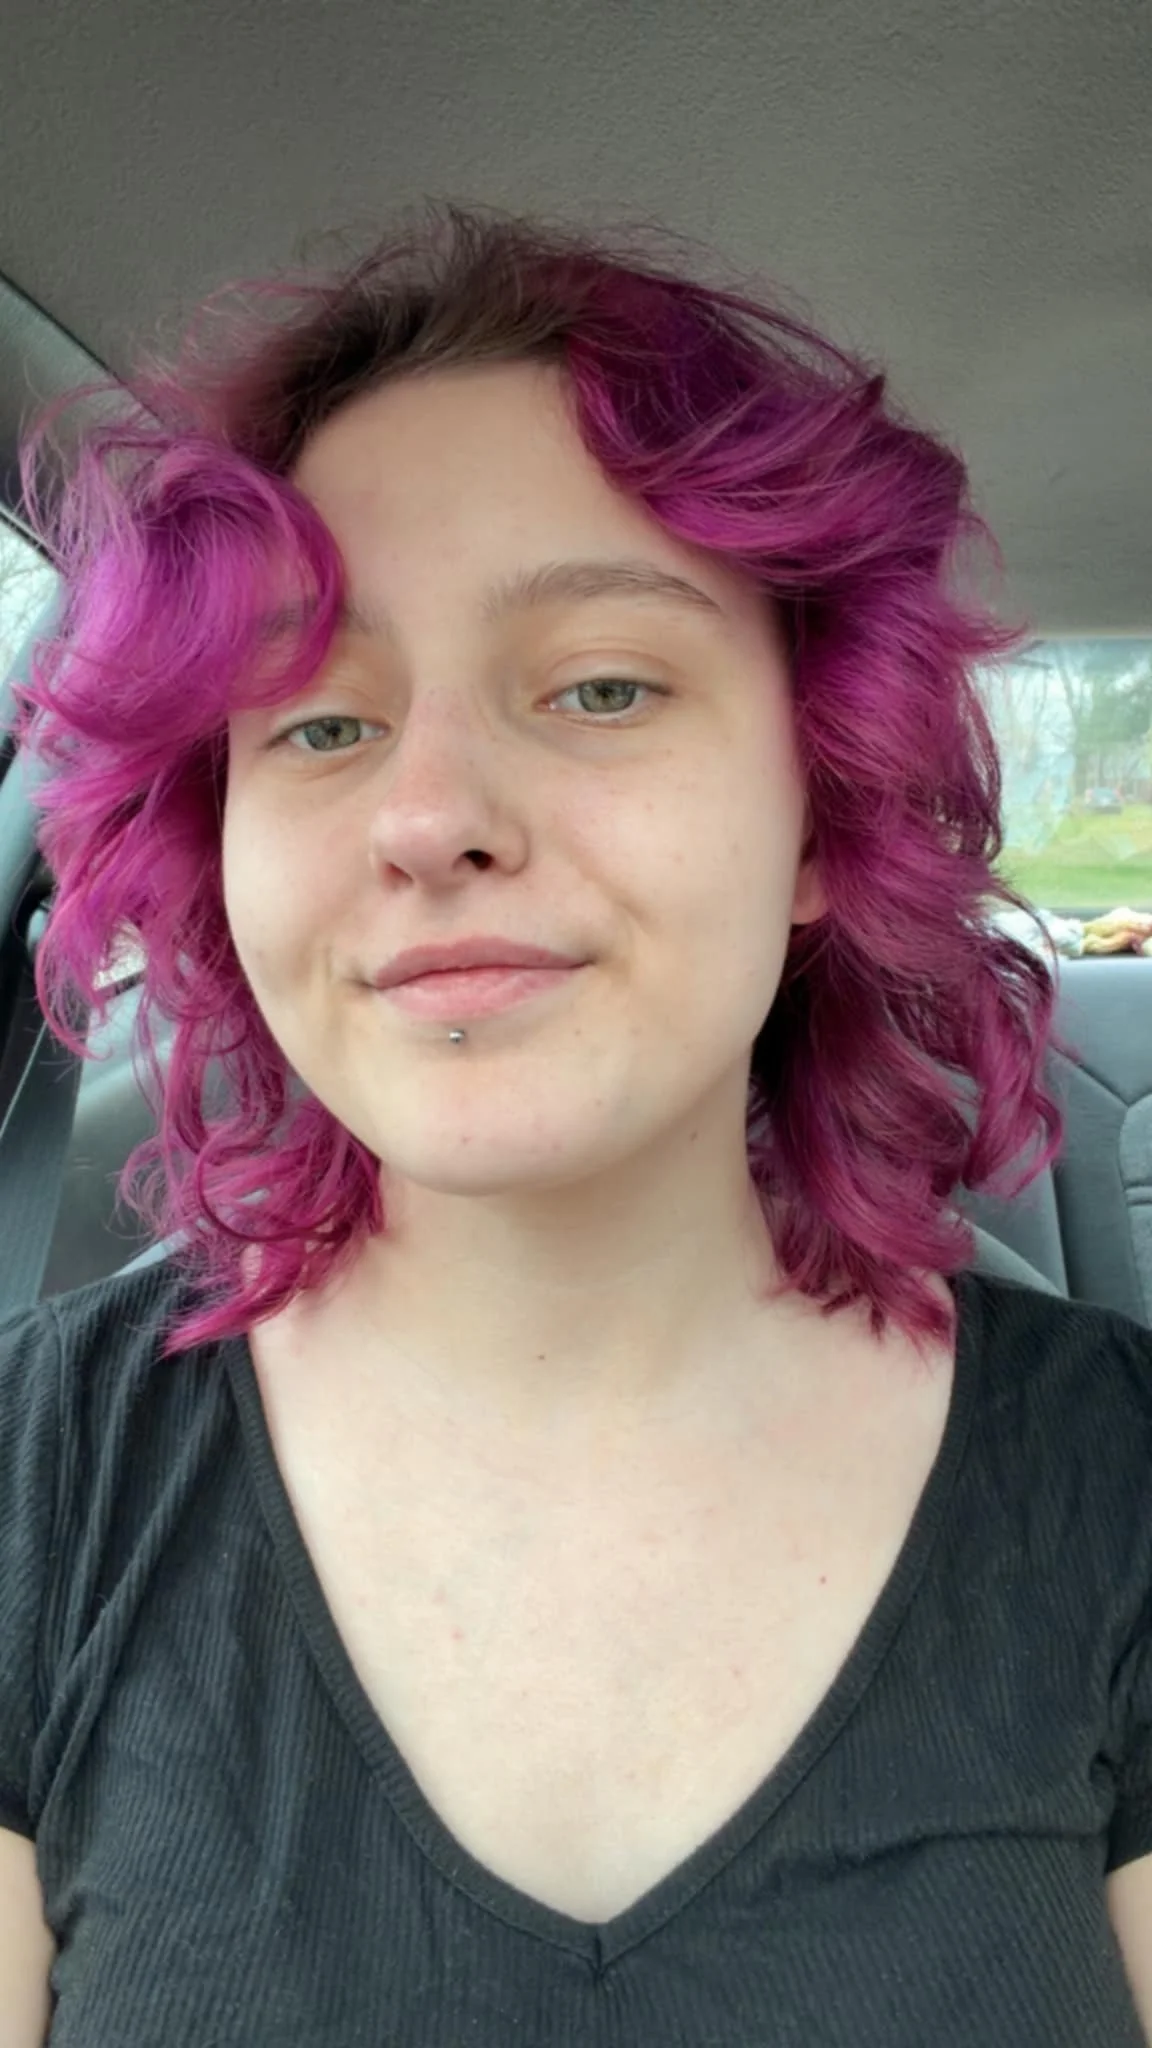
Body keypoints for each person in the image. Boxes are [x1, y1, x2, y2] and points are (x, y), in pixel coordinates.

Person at [1, 200, 1150, 2045]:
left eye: (603, 685)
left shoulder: (1120, 1490)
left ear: (819, 813)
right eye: (311, 724)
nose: (428, 813)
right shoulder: (33, 1487)